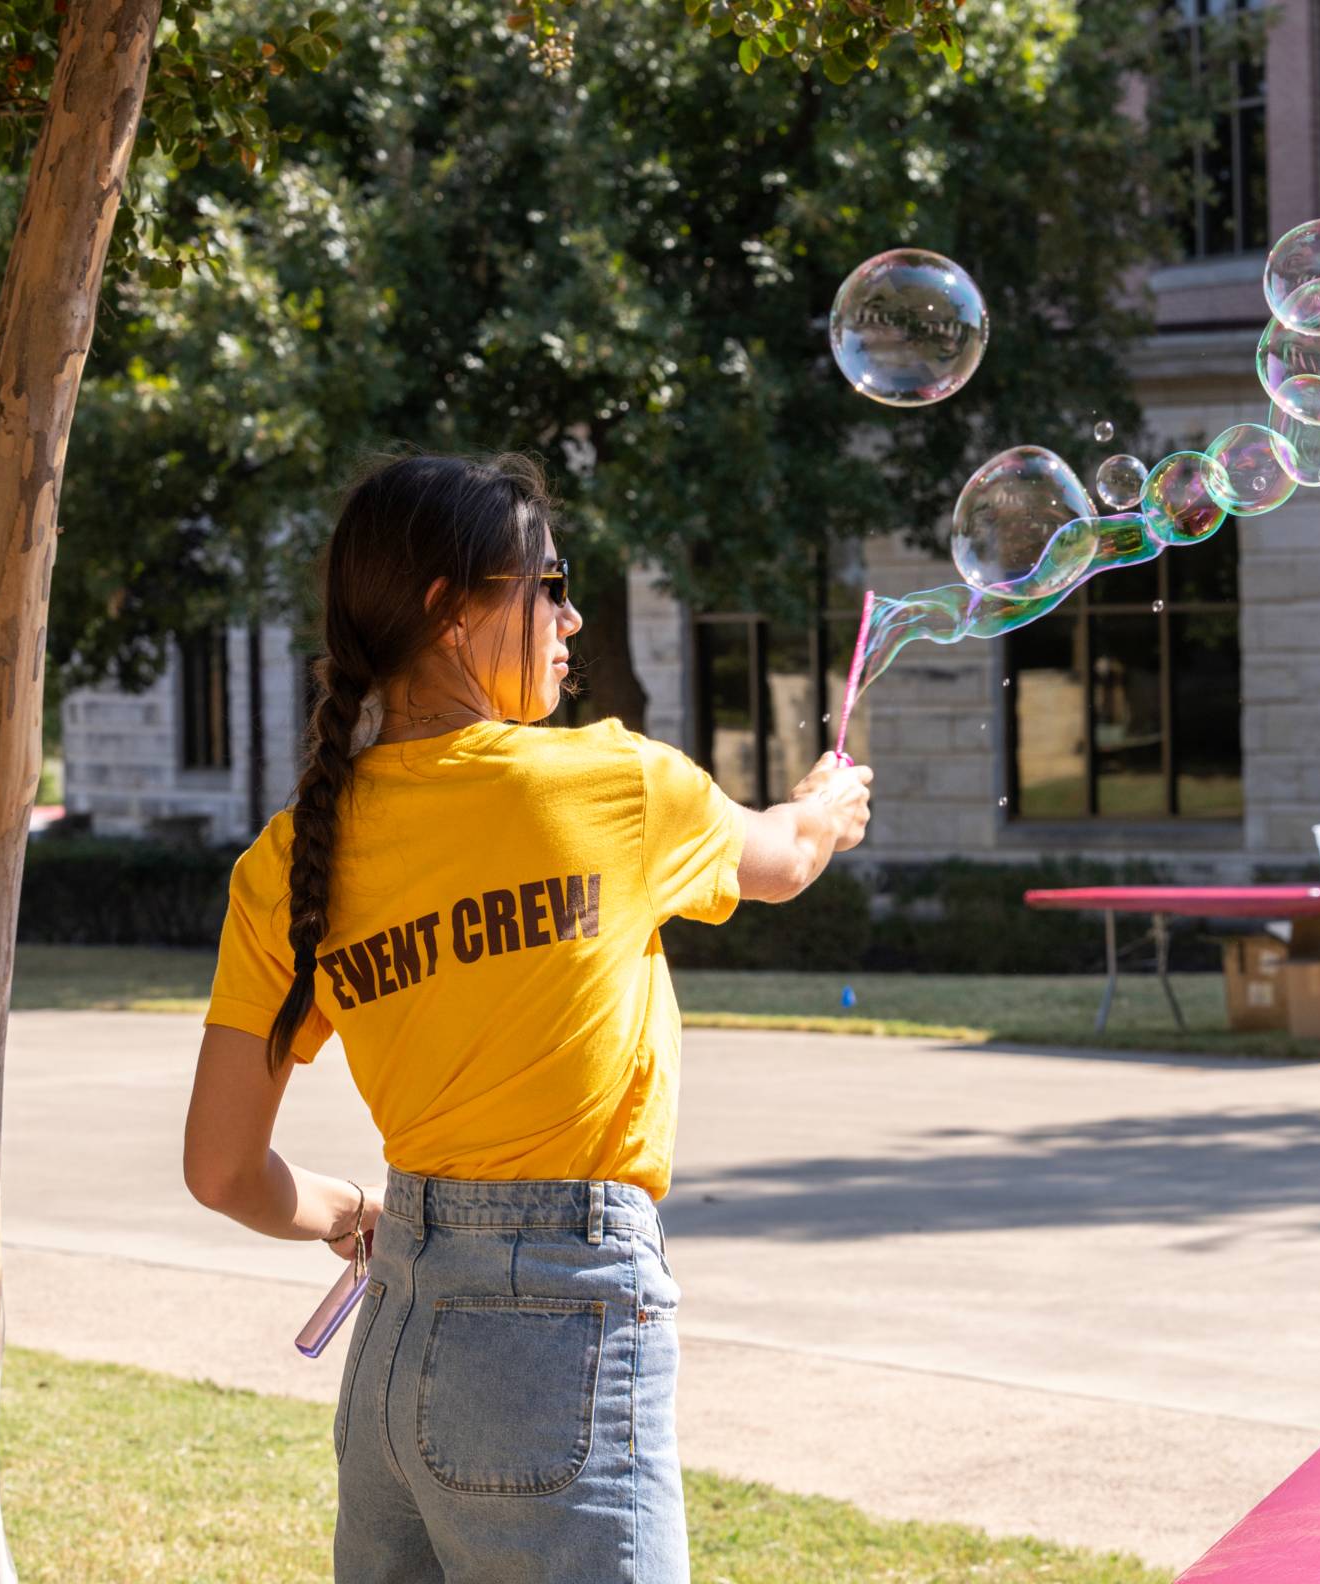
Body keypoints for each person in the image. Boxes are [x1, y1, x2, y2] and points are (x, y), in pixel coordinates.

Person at [180, 453, 873, 1582]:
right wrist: (824, 807)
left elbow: (220, 1169)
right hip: (560, 1334)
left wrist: (357, 1211)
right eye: (548, 583)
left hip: (393, 1348)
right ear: (453, 612)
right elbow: (786, 860)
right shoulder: (614, 786)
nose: (573, 612)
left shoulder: (284, 863)